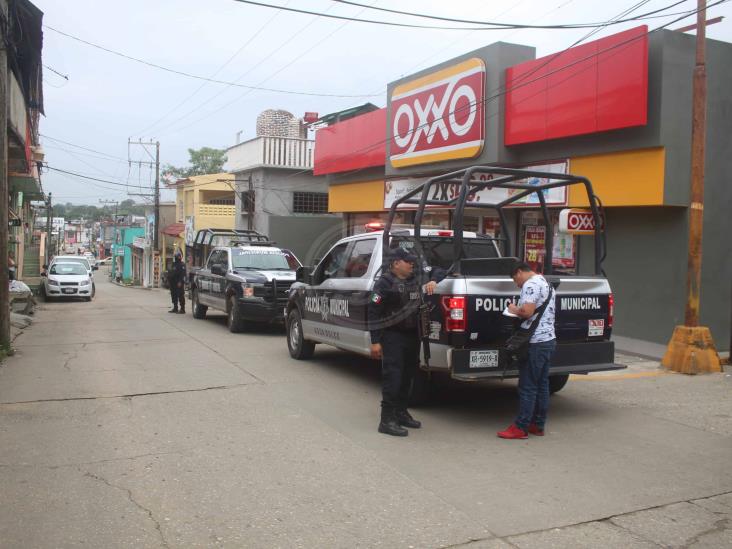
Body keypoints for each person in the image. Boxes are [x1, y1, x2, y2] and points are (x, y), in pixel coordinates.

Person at [367, 247, 443, 437]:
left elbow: (440, 270)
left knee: (408, 376)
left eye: (412, 261)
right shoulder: (384, 284)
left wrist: (434, 280)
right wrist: (375, 341)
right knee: (393, 377)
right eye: (407, 261)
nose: (411, 264)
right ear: (395, 264)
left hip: (412, 336)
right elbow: (373, 312)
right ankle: (386, 419)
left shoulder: (415, 278)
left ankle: (401, 412)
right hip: (392, 337)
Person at [498, 262, 556, 440]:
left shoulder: (530, 284)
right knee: (542, 385)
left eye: (515, 279)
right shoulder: (546, 282)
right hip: (548, 340)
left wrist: (512, 308)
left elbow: (527, 312)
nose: (517, 284)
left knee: (527, 387)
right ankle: (538, 425)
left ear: (519, 272)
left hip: (534, 342)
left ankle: (520, 427)